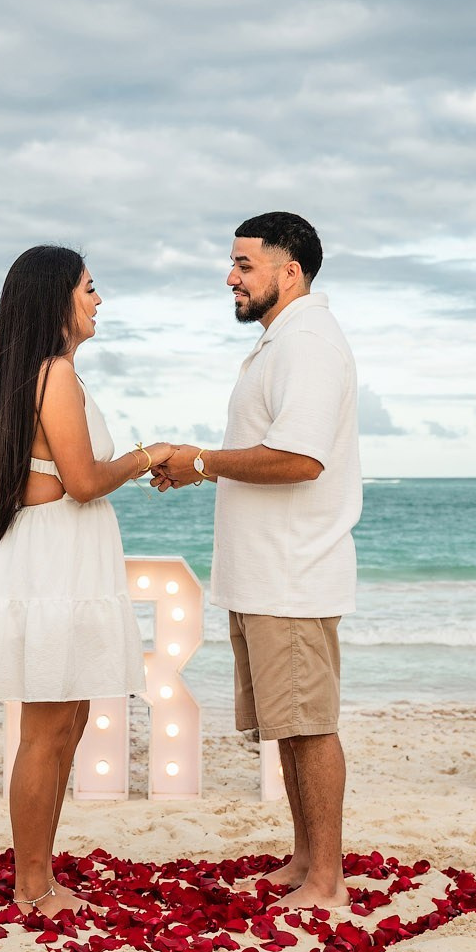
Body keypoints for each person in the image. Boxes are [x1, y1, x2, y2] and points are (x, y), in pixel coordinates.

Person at [0, 245, 174, 918]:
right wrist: (147, 455)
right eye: (89, 288)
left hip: (65, 558)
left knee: (68, 719)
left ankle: (39, 871)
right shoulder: (55, 375)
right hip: (54, 563)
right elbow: (80, 481)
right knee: (47, 729)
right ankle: (31, 884)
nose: (98, 300)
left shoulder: (50, 376)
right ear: (58, 300)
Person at [153, 212, 361, 910]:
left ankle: (326, 878)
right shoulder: (282, 344)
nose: (230, 277)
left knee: (309, 725)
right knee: (287, 725)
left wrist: (201, 461)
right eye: (233, 264)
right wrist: (197, 466)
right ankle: (306, 859)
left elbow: (301, 458)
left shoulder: (308, 344)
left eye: (244, 264)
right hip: (266, 573)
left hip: (293, 571)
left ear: (289, 271)